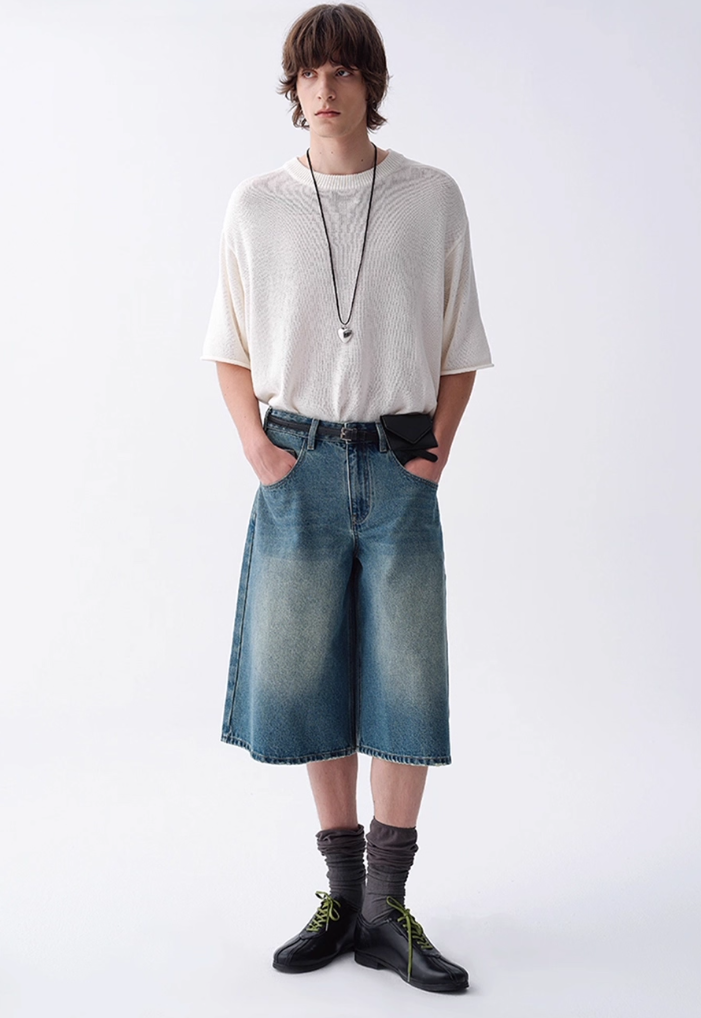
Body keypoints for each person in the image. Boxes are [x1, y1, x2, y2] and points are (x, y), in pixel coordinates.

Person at [201, 3, 493, 994]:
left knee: (406, 680)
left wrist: (432, 457)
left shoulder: (430, 196)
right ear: (292, 88)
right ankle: (339, 896)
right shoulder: (256, 205)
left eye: (341, 71)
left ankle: (383, 909)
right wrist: (259, 450)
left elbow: (459, 343)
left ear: (371, 81)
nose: (322, 89)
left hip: (400, 464)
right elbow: (228, 345)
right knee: (305, 678)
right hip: (298, 464)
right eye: (307, 73)